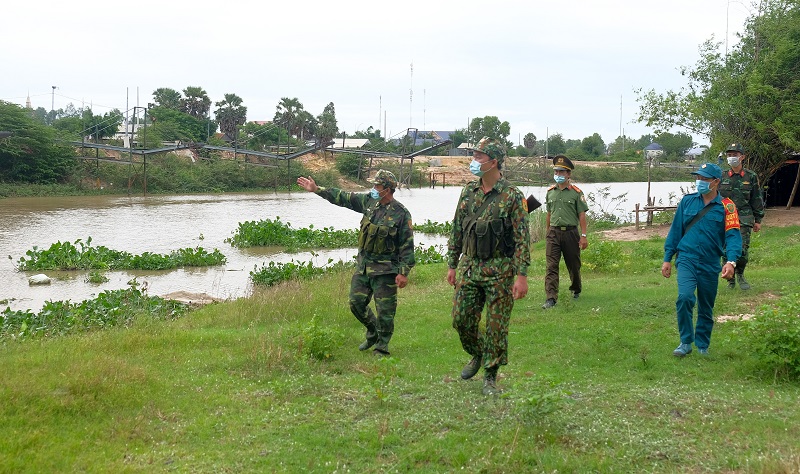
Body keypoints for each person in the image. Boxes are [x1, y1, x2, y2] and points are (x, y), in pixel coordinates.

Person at [296, 170, 415, 357]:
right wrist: (317, 189)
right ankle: (373, 331)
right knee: (355, 303)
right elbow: (343, 197)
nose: (374, 189)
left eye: (378, 186)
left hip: (386, 271)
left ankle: (382, 347)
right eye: (374, 185)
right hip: (364, 267)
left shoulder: (401, 213)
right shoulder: (369, 202)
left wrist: (403, 272)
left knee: (386, 311)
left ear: (388, 189)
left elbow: (407, 246)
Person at [446, 137, 530, 395]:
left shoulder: (513, 196)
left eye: (479, 157)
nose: (474, 160)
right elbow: (457, 229)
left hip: (500, 271)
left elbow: (521, 238)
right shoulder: (468, 192)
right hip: (470, 268)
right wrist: (452, 263)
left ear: (493, 162)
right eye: (474, 155)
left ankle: (490, 376)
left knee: (496, 326)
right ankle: (477, 353)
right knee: (461, 320)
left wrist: (521, 275)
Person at [662, 163, 742, 357]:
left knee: (706, 306)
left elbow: (733, 236)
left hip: (710, 261)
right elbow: (675, 231)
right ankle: (685, 342)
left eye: (705, 179)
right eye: (698, 178)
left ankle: (703, 345)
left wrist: (731, 261)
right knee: (685, 298)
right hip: (687, 258)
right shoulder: (687, 202)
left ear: (716, 182)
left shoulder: (727, 206)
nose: (700, 182)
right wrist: (667, 258)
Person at [541, 155, 589, 309]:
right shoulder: (550, 192)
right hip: (554, 233)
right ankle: (551, 298)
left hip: (570, 233)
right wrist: (548, 232)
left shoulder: (576, 193)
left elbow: (581, 215)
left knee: (573, 264)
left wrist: (583, 236)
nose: (559, 175)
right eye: (556, 172)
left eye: (562, 172)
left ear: (568, 174)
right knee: (551, 266)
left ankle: (576, 288)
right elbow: (549, 214)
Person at [718, 143, 765, 290]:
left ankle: (740, 275)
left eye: (735, 154)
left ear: (742, 157)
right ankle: (729, 279)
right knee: (725, 249)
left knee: (742, 249)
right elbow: (715, 197)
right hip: (725, 218)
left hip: (744, 218)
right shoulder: (722, 176)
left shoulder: (751, 176)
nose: (732, 157)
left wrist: (758, 220)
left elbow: (756, 198)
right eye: (729, 155)